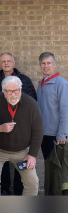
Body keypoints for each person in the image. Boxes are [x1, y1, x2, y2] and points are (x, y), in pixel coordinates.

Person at [0, 52, 37, 195]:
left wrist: (32, 154)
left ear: (21, 89)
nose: (13, 94)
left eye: (16, 91)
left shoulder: (30, 99)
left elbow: (38, 129)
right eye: (9, 91)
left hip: (21, 151)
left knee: (31, 181)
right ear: (3, 91)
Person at [36, 52, 68, 195]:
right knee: (49, 167)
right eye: (43, 63)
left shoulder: (61, 83)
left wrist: (62, 133)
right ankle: (50, 196)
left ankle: (59, 199)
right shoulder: (40, 84)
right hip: (44, 134)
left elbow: (65, 110)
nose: (46, 66)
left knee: (59, 170)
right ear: (40, 65)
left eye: (49, 63)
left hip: (56, 135)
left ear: (54, 65)